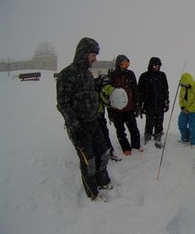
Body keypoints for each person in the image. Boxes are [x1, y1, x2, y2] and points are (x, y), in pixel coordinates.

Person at [56, 37, 112, 201]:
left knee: (103, 155)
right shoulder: (66, 75)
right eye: (93, 55)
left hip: (93, 123)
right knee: (89, 162)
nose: (95, 59)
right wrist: (74, 124)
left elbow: (92, 98)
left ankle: (103, 181)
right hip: (79, 128)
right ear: (83, 54)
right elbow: (62, 103)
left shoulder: (88, 75)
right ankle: (93, 193)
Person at [108, 55, 143, 156]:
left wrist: (137, 105)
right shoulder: (112, 75)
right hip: (117, 110)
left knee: (134, 128)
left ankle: (136, 145)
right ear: (118, 64)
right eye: (123, 64)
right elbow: (108, 95)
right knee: (120, 130)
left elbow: (135, 90)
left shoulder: (130, 74)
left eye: (127, 63)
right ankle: (126, 148)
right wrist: (110, 112)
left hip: (130, 108)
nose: (125, 66)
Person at [138, 57, 169, 148]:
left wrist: (166, 101)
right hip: (149, 104)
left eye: (159, 65)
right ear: (151, 64)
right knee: (149, 121)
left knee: (159, 121)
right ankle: (148, 136)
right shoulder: (144, 76)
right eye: (155, 64)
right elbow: (140, 91)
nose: (157, 66)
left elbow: (165, 89)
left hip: (160, 103)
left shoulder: (162, 75)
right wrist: (140, 104)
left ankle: (158, 137)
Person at [94, 74, 121, 162]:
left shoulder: (103, 89)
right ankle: (96, 155)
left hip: (100, 116)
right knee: (96, 136)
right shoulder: (94, 90)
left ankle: (109, 152)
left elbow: (106, 102)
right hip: (91, 117)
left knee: (104, 133)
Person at [178, 72, 195, 145]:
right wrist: (182, 107)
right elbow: (181, 98)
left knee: (193, 127)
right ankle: (185, 138)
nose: (185, 86)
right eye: (183, 84)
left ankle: (193, 142)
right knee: (181, 124)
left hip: (194, 111)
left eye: (186, 84)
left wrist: (189, 109)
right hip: (184, 110)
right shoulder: (183, 87)